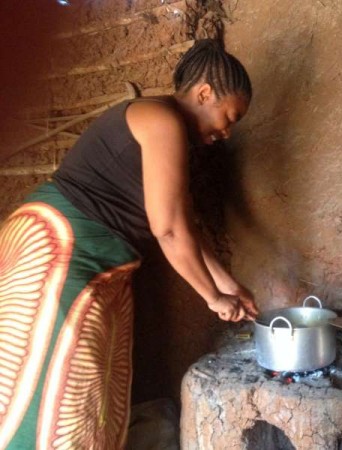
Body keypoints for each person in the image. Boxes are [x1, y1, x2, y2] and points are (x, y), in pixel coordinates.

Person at [0, 39, 259, 449]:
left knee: (95, 391)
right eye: (229, 117)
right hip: (61, 252)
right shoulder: (159, 120)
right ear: (205, 93)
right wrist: (211, 297)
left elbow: (182, 223)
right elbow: (168, 230)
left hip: (93, 259)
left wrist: (227, 284)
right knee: (54, 391)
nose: (226, 132)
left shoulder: (172, 135)